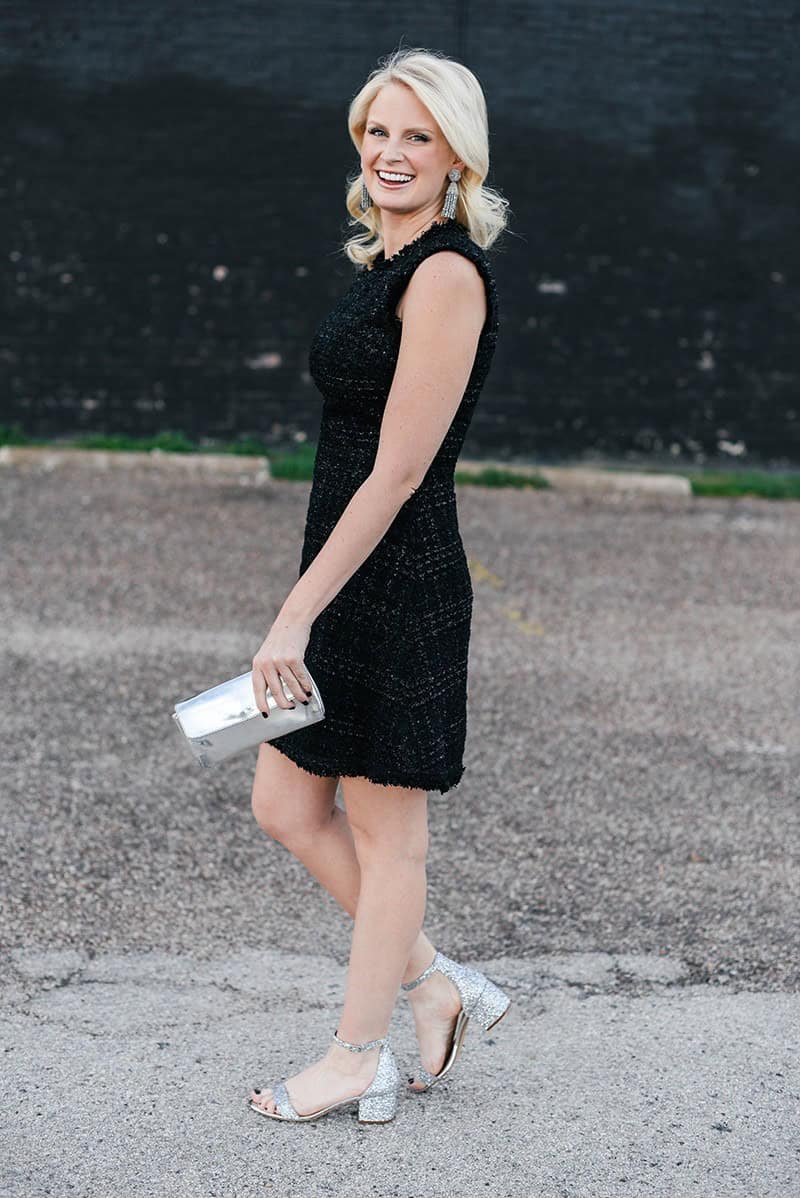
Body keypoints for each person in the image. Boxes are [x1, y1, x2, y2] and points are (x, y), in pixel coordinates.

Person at [247, 45, 511, 1124]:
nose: (391, 152)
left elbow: (399, 469)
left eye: (417, 135)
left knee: (386, 834)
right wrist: (309, 595)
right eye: (377, 131)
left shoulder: (445, 275)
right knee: (284, 803)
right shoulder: (385, 262)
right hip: (346, 565)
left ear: (457, 157)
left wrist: (292, 614)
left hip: (399, 579)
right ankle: (435, 984)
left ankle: (359, 1057)